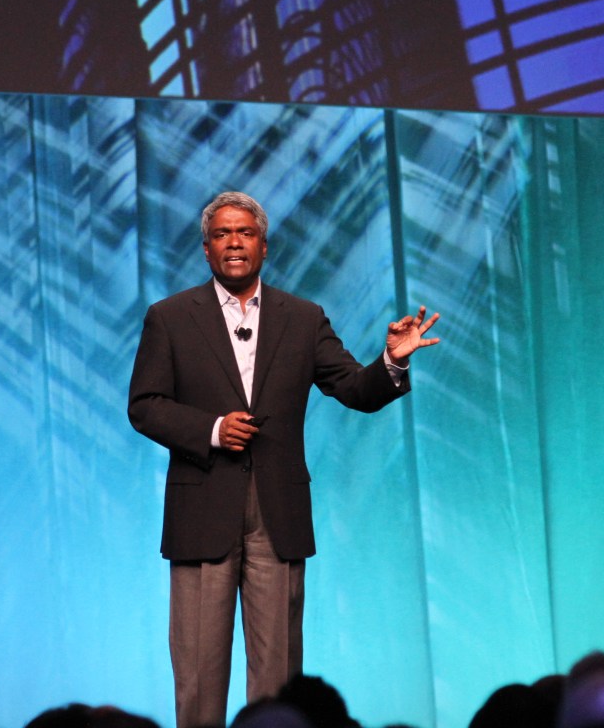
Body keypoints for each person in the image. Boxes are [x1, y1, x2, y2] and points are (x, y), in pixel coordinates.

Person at [128, 191, 440, 728]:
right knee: (199, 679)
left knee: (277, 680)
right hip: (203, 512)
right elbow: (145, 405)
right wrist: (212, 430)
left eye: (245, 232)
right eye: (222, 233)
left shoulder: (302, 318)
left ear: (264, 246)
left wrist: (392, 360)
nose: (234, 242)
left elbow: (355, 389)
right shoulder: (170, 317)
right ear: (206, 249)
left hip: (278, 515)